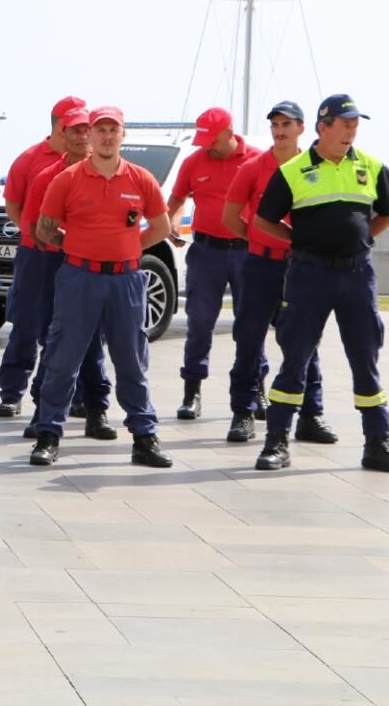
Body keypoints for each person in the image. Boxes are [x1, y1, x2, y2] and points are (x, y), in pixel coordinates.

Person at [252, 94, 389, 473]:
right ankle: (276, 442)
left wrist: (362, 240)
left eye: (355, 124)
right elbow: (263, 221)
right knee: (295, 357)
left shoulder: (372, 166)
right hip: (309, 275)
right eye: (344, 124)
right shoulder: (293, 171)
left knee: (366, 358)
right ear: (322, 127)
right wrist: (299, 242)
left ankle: (377, 442)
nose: (351, 131)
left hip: (357, 275)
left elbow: (385, 214)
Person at [31, 105, 174, 468]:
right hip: (79, 278)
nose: (107, 136)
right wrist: (81, 249)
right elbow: (45, 230)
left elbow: (160, 227)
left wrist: (126, 250)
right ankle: (48, 434)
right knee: (63, 358)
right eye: (101, 130)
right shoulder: (67, 179)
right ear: (89, 136)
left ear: (123, 135)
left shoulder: (141, 179)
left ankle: (144, 436)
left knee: (131, 360)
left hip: (126, 280)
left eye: (114, 130)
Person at [222, 101, 333, 445]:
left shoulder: (318, 168)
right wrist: (258, 239)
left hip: (301, 267)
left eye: (287, 124)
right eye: (275, 124)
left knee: (306, 342)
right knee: (249, 338)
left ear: (303, 128)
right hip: (259, 264)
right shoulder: (253, 168)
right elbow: (231, 217)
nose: (280, 130)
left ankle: (311, 415)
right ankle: (243, 413)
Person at [16, 108, 114, 440]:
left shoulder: (110, 175)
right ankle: (43, 410)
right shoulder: (47, 177)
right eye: (75, 130)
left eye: (88, 129)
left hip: (96, 269)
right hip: (54, 266)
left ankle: (96, 411)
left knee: (92, 343)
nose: (83, 136)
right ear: (64, 134)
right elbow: (32, 226)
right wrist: (72, 242)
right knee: (54, 339)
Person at [0, 95, 87, 419]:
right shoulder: (30, 160)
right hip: (36, 255)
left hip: (75, 258)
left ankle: (69, 396)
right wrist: (36, 236)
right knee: (26, 324)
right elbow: (13, 206)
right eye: (73, 127)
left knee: (67, 329)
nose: (81, 134)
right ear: (59, 128)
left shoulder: (90, 163)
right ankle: (12, 392)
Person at [166, 107, 256, 420]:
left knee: (250, 324)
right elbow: (176, 200)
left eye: (212, 140)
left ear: (229, 133)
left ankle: (254, 388)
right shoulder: (195, 161)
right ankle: (192, 392)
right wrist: (173, 222)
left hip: (247, 252)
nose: (208, 147)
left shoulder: (255, 160)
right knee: (199, 323)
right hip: (206, 252)